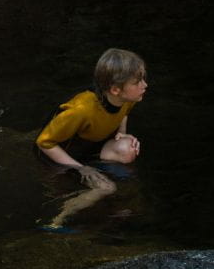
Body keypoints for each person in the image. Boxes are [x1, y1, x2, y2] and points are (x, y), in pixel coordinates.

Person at [35, 48, 147, 229]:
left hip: (91, 145)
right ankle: (56, 221)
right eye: (137, 82)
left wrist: (123, 132)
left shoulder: (129, 98)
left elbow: (124, 112)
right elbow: (44, 143)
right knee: (106, 188)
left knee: (127, 149)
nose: (145, 85)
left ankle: (109, 191)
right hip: (61, 154)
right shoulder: (81, 109)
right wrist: (80, 168)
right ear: (115, 89)